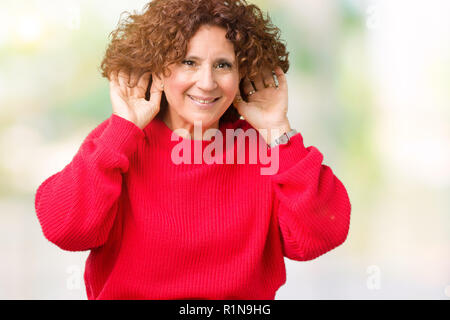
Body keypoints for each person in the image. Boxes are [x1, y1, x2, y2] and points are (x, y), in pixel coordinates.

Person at [35, 0, 351, 300]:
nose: (207, 82)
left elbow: (321, 234)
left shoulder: (263, 148)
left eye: (223, 65)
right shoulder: (119, 142)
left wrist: (278, 131)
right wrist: (122, 129)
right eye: (189, 62)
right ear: (158, 69)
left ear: (243, 73)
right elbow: (66, 230)